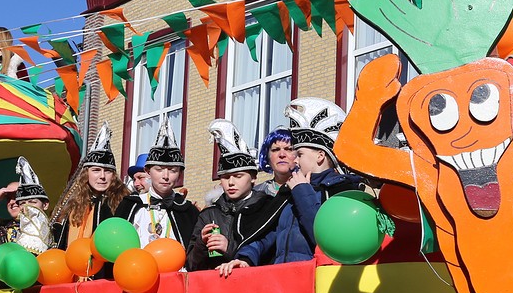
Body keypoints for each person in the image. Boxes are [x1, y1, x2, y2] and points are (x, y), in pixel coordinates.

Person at [223, 98, 363, 274]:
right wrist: (246, 258)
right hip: (283, 278)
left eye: (300, 154)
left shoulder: (341, 190)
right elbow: (269, 232)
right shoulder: (291, 189)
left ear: (320, 156)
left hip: (316, 279)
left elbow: (325, 238)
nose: (294, 160)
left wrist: (302, 191)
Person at [190, 120, 287, 275]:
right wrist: (201, 244)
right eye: (225, 177)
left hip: (254, 285)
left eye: (238, 176)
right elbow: (191, 266)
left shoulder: (267, 207)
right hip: (215, 286)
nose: (231, 182)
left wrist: (229, 248)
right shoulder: (208, 215)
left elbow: (272, 254)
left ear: (253, 177)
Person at [115, 116, 197, 252]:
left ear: (180, 174)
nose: (165, 176)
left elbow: (195, 255)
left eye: (172, 170)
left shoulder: (188, 211)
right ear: (148, 172)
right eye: (159, 169)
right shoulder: (130, 205)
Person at [52, 125, 128, 251]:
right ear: (86, 174)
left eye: (108, 171)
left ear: (113, 175)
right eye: (96, 170)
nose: (102, 176)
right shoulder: (73, 204)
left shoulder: (123, 203)